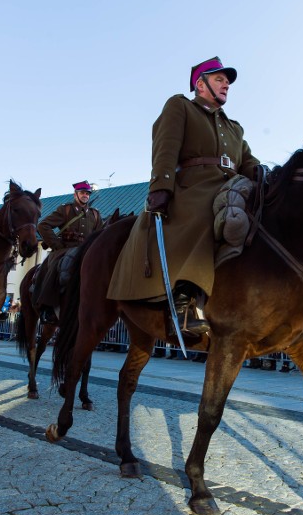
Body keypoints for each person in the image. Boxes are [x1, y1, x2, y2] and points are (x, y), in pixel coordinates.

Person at [107, 57, 260, 337]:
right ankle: (185, 301)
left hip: (232, 185)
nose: (226, 83)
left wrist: (267, 177)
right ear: (200, 84)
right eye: (219, 79)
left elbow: (249, 162)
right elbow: (166, 147)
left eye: (227, 81)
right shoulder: (181, 107)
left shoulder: (234, 128)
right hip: (193, 187)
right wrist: (161, 188)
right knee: (209, 210)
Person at [36, 180, 103, 325]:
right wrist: (57, 245)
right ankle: (47, 307)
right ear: (75, 194)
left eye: (87, 193)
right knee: (56, 267)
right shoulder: (65, 210)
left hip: (87, 250)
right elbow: (43, 225)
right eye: (82, 193)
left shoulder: (95, 214)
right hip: (65, 249)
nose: (85, 195)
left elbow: (100, 235)